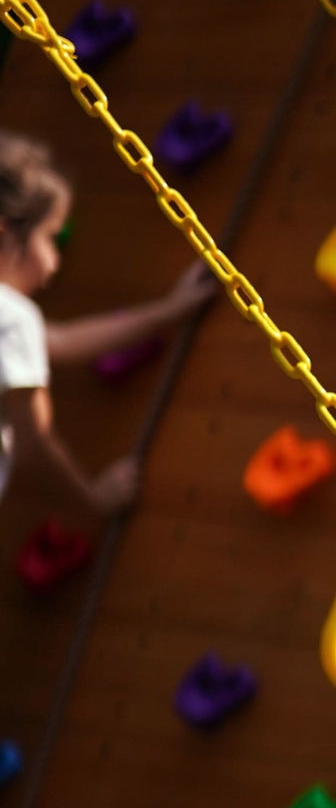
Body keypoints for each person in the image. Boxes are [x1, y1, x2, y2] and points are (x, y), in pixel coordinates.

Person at [0, 129, 211, 521]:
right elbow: (34, 442)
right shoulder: (12, 320)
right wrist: (94, 499)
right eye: (50, 238)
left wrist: (169, 311)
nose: (53, 261)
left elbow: (59, 341)